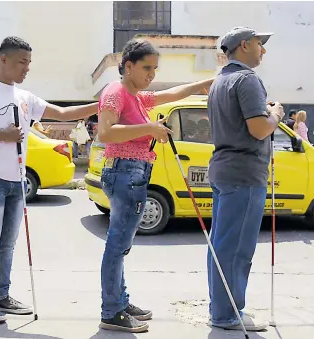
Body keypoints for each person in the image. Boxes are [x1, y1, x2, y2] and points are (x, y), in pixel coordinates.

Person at [0, 36, 98, 323]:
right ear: (3, 60)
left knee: (7, 244)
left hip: (16, 181)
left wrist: (101, 104)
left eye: (29, 63)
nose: (27, 68)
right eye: (22, 62)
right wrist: (1, 135)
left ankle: (1, 295)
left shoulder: (25, 97)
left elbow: (62, 113)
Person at [97, 39, 214, 333]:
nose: (152, 74)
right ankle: (112, 311)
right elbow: (106, 132)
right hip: (124, 172)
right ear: (128, 66)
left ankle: (119, 302)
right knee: (117, 246)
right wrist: (150, 128)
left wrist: (201, 83)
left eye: (155, 68)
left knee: (120, 245)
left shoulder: (136, 96)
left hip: (132, 173)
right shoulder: (116, 92)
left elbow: (169, 93)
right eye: (146, 68)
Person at [207, 27, 285, 332]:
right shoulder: (247, 79)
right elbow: (258, 129)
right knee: (236, 247)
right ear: (243, 45)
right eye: (259, 44)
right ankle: (228, 314)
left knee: (221, 245)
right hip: (243, 172)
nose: (262, 50)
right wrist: (276, 114)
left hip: (225, 169)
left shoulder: (220, 80)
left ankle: (223, 307)